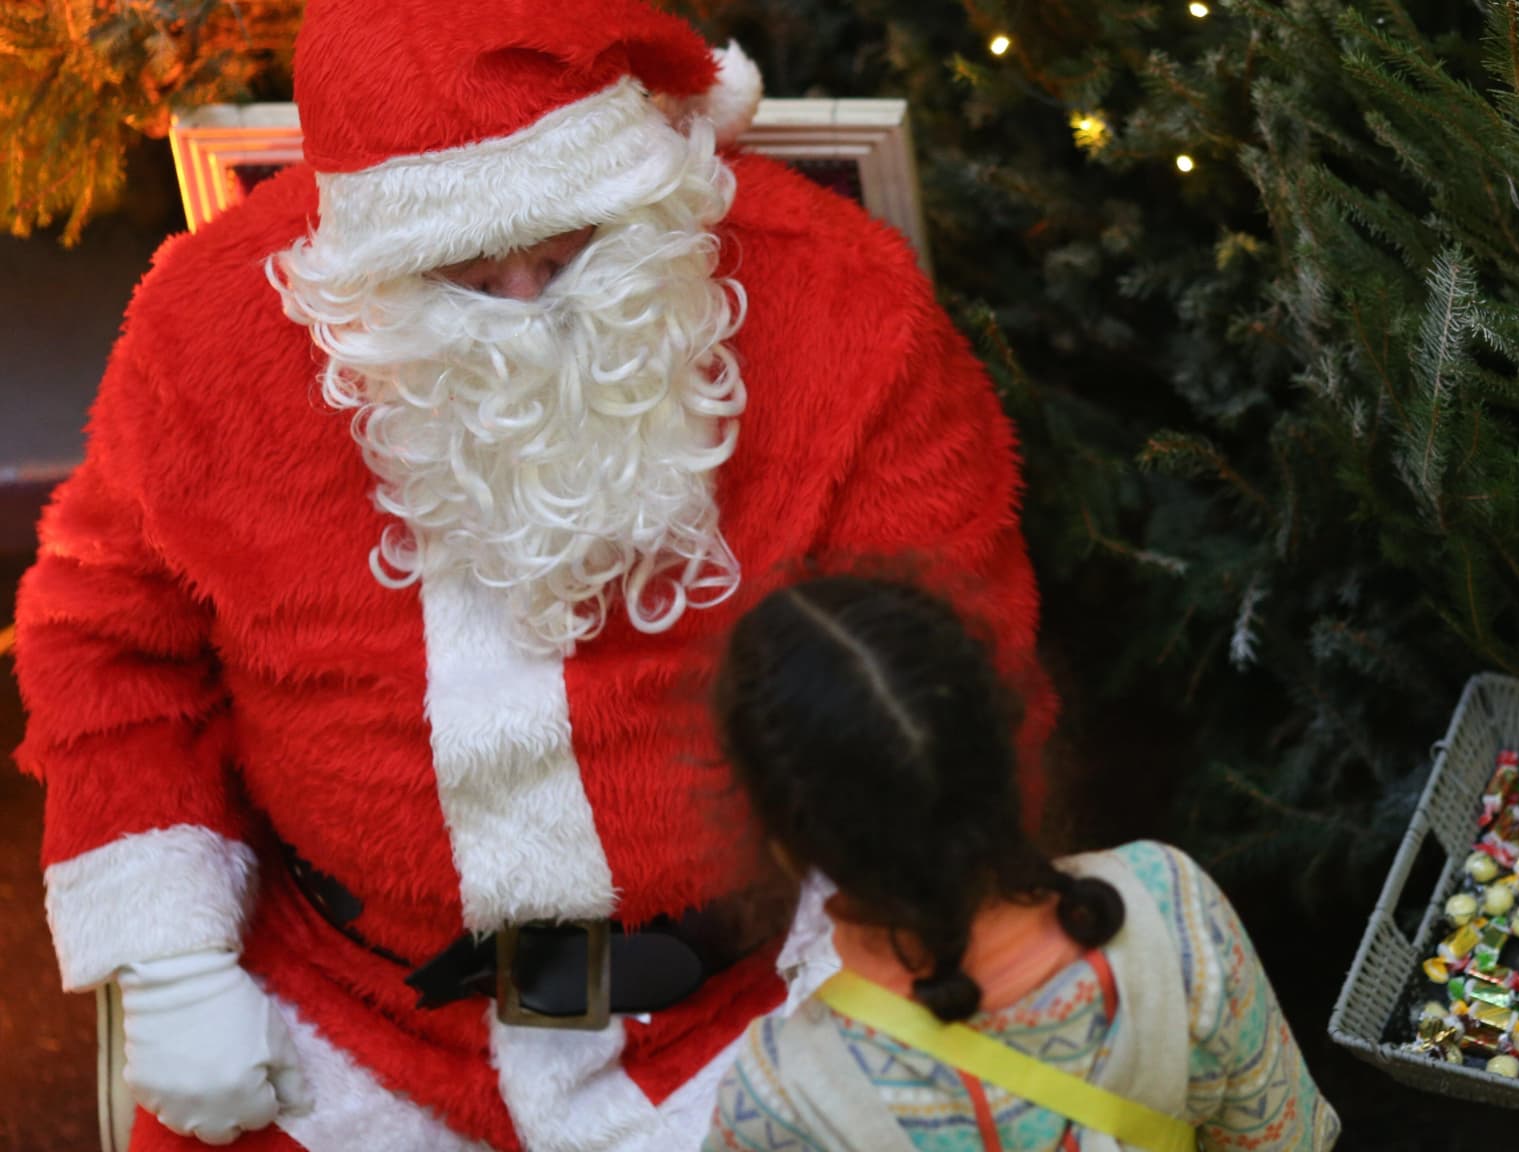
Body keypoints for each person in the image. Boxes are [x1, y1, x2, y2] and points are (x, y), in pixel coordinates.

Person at [9, 0, 1055, 1148]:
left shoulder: (841, 298)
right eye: (461, 269)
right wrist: (170, 962)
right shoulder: (208, 327)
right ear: (366, 250)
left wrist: (872, 967)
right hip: (342, 1025)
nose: (522, 310)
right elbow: (106, 634)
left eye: (569, 253)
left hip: (756, 1012)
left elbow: (955, 660)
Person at [704, 576, 1342, 1152]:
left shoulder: (785, 1102)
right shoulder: (1173, 912)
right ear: (1003, 742)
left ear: (786, 847)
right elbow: (1288, 1141)